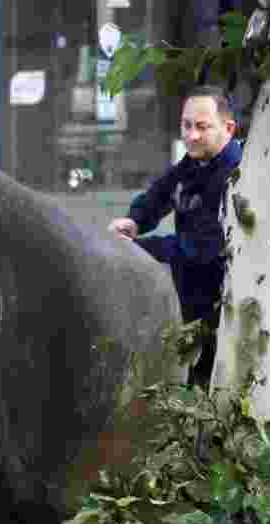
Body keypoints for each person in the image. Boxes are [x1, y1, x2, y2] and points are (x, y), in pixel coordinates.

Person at [108, 85, 241, 389]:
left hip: (220, 310)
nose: (191, 135)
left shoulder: (235, 174)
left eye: (202, 127)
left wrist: (138, 247)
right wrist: (135, 220)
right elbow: (162, 192)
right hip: (190, 302)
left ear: (228, 128)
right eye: (186, 125)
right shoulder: (195, 161)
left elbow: (201, 250)